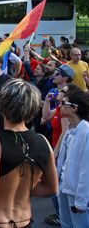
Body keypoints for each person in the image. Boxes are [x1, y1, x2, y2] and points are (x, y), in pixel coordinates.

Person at [0, 79, 58, 228]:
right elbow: (52, 188)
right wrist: (22, 191)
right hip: (24, 221)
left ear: (3, 106)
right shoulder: (42, 141)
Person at [56, 88, 89, 227]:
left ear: (74, 108)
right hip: (65, 185)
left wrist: (81, 202)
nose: (60, 106)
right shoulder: (70, 129)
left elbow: (86, 169)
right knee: (66, 224)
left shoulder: (86, 132)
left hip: (76, 192)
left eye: (64, 102)